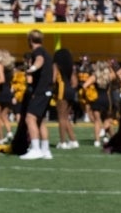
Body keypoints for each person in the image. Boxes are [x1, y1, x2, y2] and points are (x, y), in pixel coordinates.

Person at [19, 29, 54, 160]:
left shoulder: (38, 52)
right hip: (48, 90)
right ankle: (45, 150)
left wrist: (31, 69)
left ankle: (35, 149)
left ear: (30, 40)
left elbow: (39, 60)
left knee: (30, 118)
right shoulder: (47, 52)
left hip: (41, 90)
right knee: (40, 120)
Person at [53, 47, 79, 150]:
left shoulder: (56, 65)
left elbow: (53, 78)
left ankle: (62, 142)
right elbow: (75, 82)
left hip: (61, 90)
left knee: (61, 117)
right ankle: (73, 141)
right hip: (70, 91)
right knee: (66, 117)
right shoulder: (71, 67)